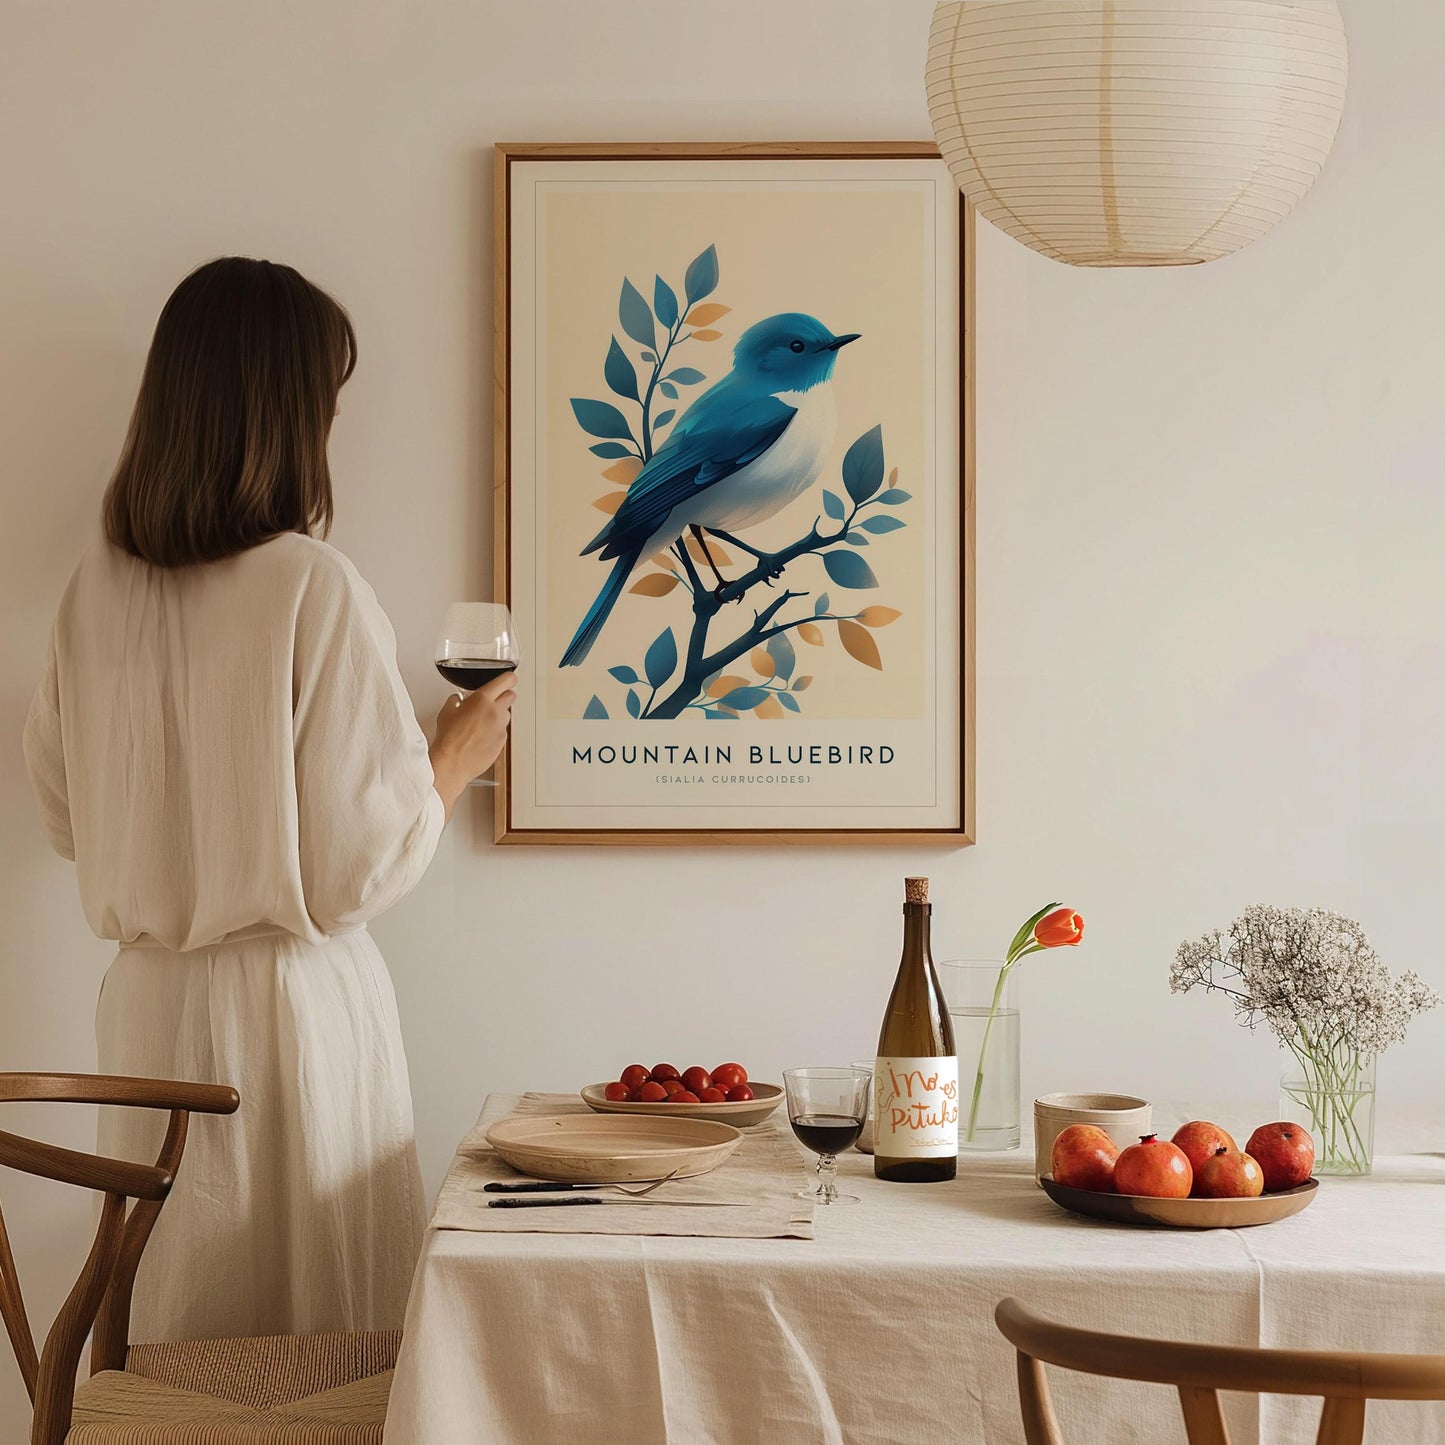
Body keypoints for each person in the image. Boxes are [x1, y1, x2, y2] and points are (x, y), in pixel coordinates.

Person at [21, 256, 512, 1341]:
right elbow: (351, 872)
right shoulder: (309, 583)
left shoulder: (91, 591)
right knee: (313, 1345)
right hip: (288, 1019)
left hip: (146, 1010)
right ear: (286, 412)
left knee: (177, 1329)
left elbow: (65, 817)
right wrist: (450, 757)